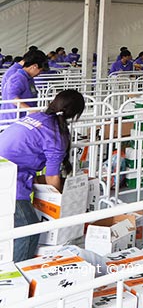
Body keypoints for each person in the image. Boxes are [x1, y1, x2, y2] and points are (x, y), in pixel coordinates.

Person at [0, 89, 84, 261]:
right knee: (27, 229)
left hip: (8, 170)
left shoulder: (36, 116)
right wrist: (60, 203)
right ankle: (18, 275)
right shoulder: (55, 136)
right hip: (9, 180)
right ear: (75, 114)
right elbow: (52, 177)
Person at [0, 50, 46, 130]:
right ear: (34, 66)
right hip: (14, 119)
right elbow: (12, 97)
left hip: (24, 119)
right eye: (40, 70)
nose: (40, 73)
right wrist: (30, 109)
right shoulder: (16, 75)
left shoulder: (28, 76)